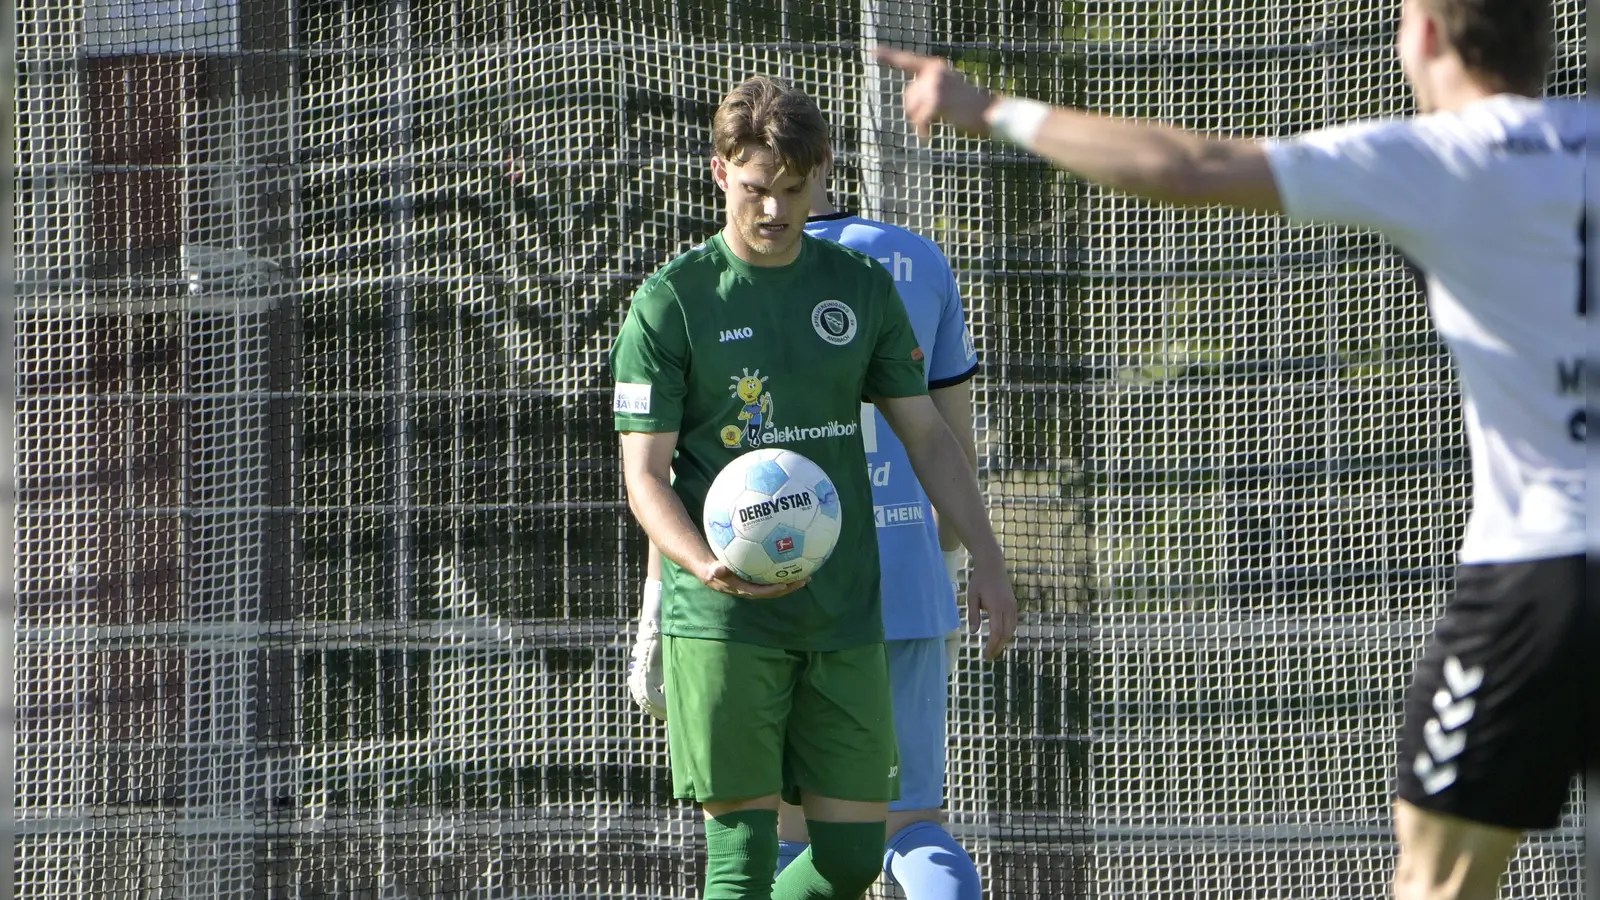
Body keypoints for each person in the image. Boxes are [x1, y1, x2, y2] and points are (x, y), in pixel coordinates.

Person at [874, 1, 1589, 898]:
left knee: (1437, 872)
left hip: (1544, 573)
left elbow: (1190, 165)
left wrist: (993, 110)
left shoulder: (1443, 155)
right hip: (1543, 569)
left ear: (1427, 37)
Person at [609, 75, 1019, 900]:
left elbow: (930, 436)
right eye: (756, 188)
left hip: (842, 611)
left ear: (822, 174)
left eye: (793, 190)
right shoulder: (669, 303)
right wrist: (699, 566)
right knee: (742, 861)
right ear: (721, 173)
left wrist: (988, 556)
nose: (773, 210)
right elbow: (645, 479)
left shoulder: (859, 289)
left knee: (852, 860)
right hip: (722, 619)